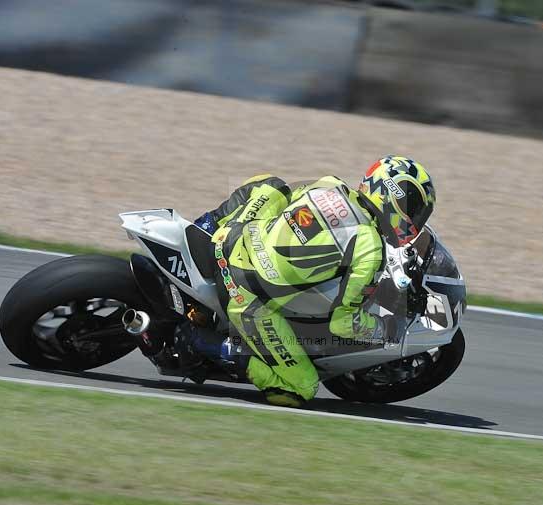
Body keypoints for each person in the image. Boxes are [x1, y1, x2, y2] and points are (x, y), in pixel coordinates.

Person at [185, 156, 436, 407]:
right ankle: (202, 342)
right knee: (301, 386)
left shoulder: (331, 184)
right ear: (394, 196)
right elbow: (343, 324)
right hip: (244, 292)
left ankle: (204, 225)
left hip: (230, 236)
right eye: (413, 208)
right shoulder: (371, 248)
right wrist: (388, 329)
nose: (414, 218)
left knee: (272, 184)